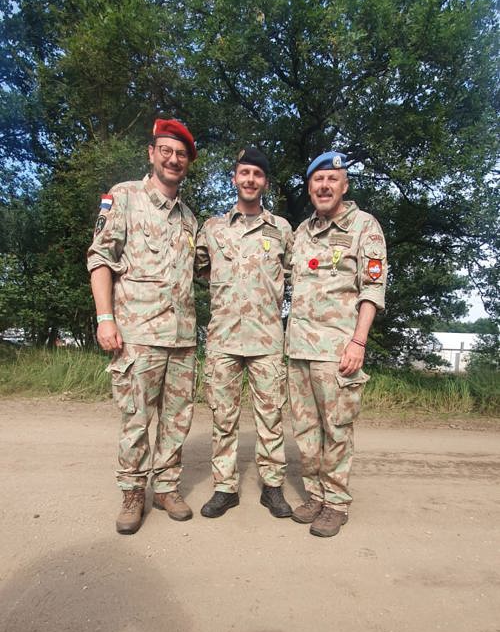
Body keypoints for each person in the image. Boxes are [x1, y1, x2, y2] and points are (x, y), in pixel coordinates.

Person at [87, 118, 198, 534]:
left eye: (181, 154)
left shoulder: (188, 217)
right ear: (151, 154)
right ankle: (133, 491)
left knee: (177, 418)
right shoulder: (125, 198)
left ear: (187, 163)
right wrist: (105, 319)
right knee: (136, 418)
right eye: (166, 151)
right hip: (137, 334)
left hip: (182, 338)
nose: (173, 159)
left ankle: (167, 485)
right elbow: (100, 259)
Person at [287, 150, 387, 538]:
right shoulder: (301, 232)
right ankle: (314, 494)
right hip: (299, 350)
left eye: (332, 179)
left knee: (337, 429)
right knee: (306, 431)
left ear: (344, 185)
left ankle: (337, 502)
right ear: (310, 187)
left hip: (338, 351)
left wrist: (358, 342)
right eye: (318, 180)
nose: (324, 186)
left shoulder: (364, 227)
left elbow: (372, 288)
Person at [195, 147, 294, 519]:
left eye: (257, 174)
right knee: (223, 415)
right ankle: (225, 488)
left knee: (271, 416)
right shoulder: (213, 228)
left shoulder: (281, 229)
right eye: (244, 173)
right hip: (223, 338)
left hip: (267, 339)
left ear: (265, 182)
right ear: (234, 178)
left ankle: (272, 487)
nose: (250, 179)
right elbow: (202, 269)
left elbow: (295, 276)